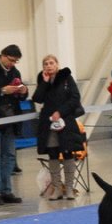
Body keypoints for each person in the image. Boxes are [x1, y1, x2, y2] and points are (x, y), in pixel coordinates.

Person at [32, 54, 86, 200]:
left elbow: (75, 98)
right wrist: (44, 83)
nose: (48, 66)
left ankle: (69, 188)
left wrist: (60, 112)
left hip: (65, 121)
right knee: (53, 154)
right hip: (49, 123)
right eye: (45, 64)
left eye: (51, 63)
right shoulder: (42, 79)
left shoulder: (66, 77)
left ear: (57, 64)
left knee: (68, 153)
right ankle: (57, 189)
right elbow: (37, 98)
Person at [0, 44, 27, 204]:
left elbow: (21, 95)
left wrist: (23, 91)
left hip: (11, 120)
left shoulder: (15, 72)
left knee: (9, 156)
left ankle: (6, 190)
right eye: (11, 60)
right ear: (3, 55)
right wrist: (3, 91)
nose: (13, 64)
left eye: (16, 61)